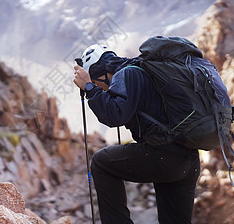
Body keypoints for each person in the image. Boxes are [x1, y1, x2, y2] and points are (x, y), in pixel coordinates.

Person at [73, 44, 200, 224]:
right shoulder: (143, 71)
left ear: (102, 72)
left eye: (96, 82)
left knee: (102, 163)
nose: (99, 88)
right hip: (189, 160)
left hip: (164, 157)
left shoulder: (127, 74)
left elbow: (115, 115)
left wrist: (88, 88)